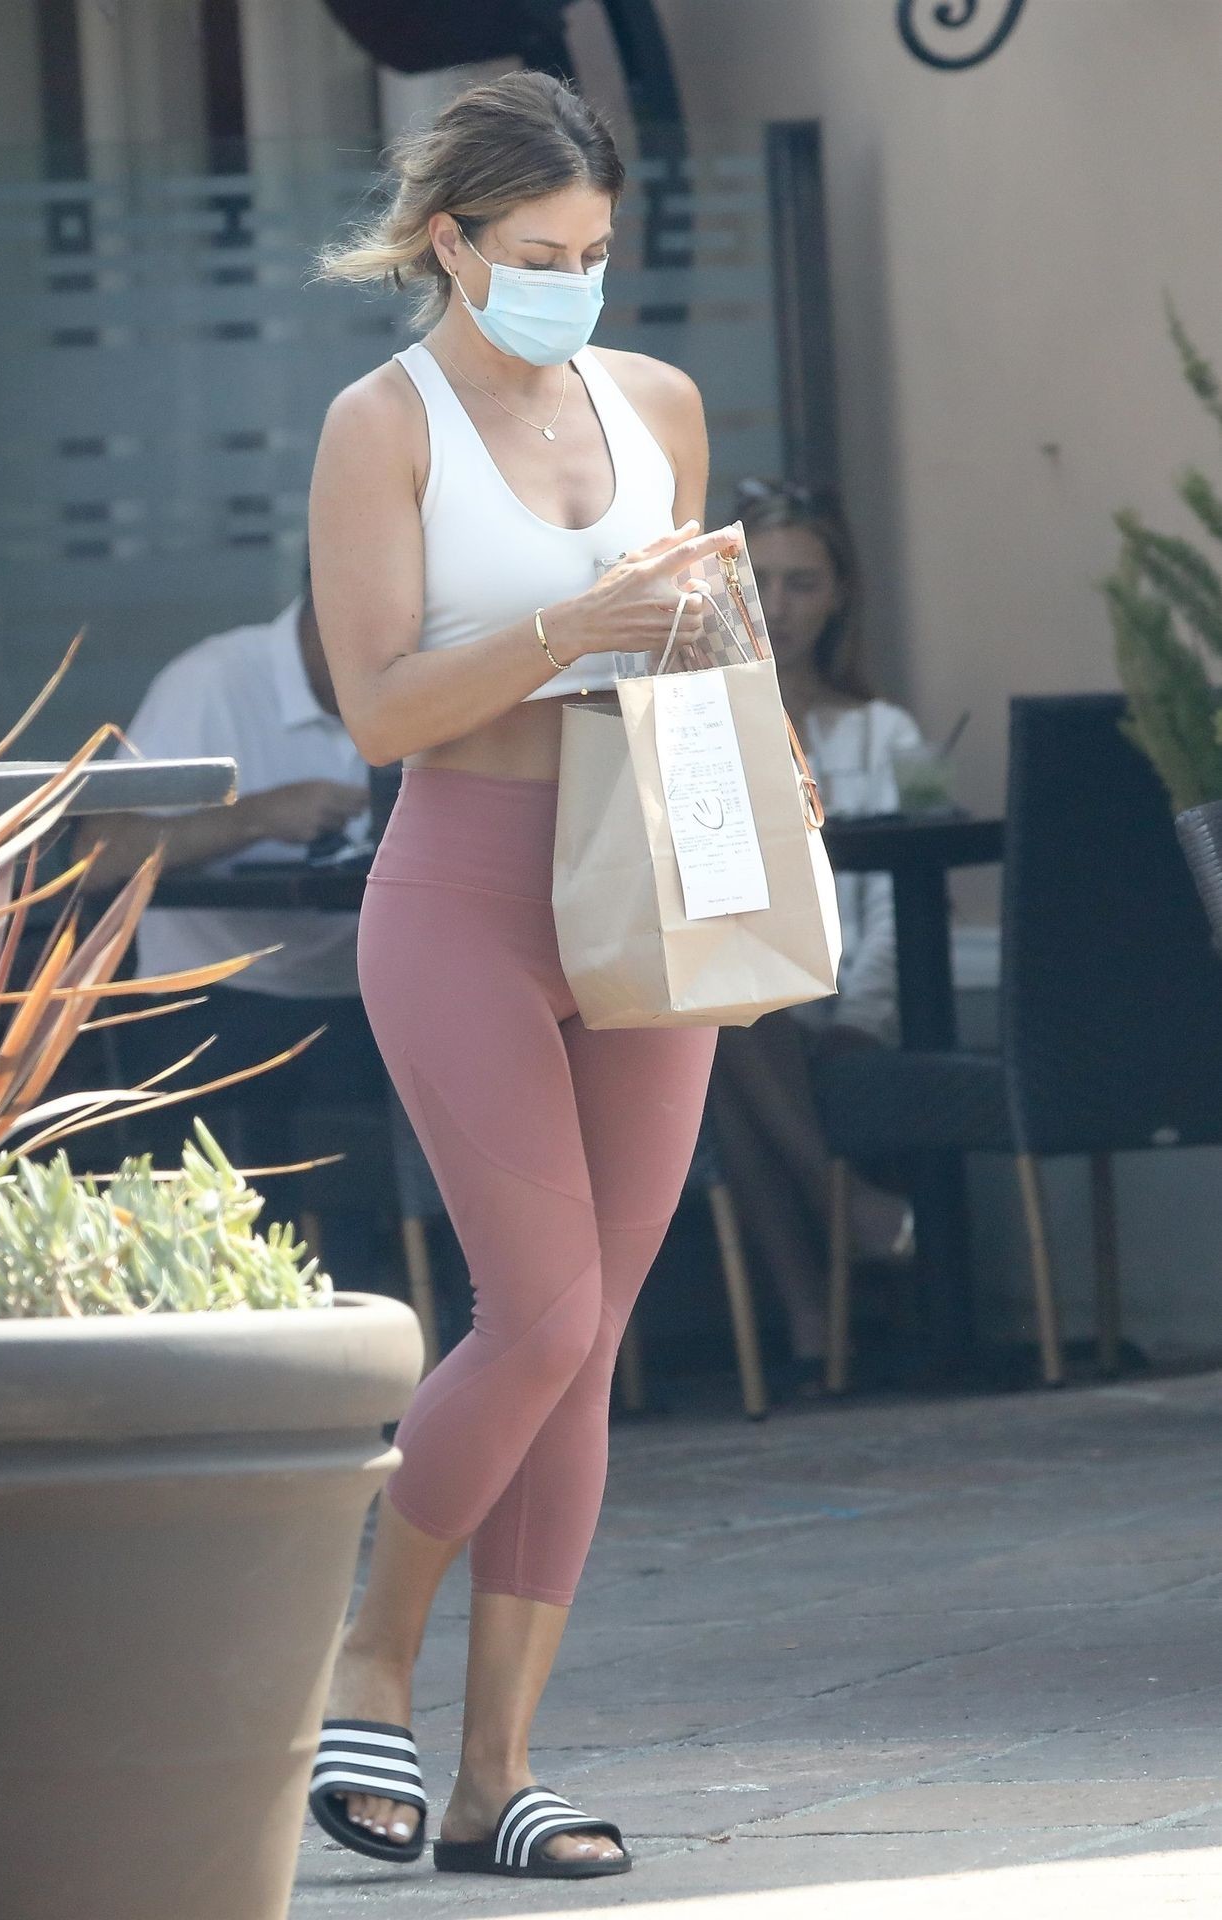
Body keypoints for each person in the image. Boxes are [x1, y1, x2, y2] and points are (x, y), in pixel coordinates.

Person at [303, 71, 735, 1881]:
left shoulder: (657, 405)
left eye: (594, 252)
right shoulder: (380, 426)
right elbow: (378, 708)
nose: (573, 282)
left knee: (591, 1345)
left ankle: (496, 1773)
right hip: (463, 889)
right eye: (537, 253)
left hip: (646, 884)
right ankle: (363, 1659)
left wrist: (749, 736)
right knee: (537, 1314)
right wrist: (569, 623)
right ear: (448, 240)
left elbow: (695, 649)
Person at [72, 556, 386, 1225]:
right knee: (230, 1217)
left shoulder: (422, 683)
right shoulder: (214, 680)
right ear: (330, 607)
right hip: (215, 1000)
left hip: (366, 996)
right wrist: (255, 816)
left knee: (387, 1200)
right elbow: (98, 855)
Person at [707, 479, 922, 1379]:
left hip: (856, 1004)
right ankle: (840, 1207)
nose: (781, 606)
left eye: (803, 583)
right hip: (759, 998)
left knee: (721, 1043)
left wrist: (860, 1018)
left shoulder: (882, 733)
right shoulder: (706, 728)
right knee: (720, 1015)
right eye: (759, 581)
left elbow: (903, 907)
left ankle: (808, 1321)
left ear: (838, 596)